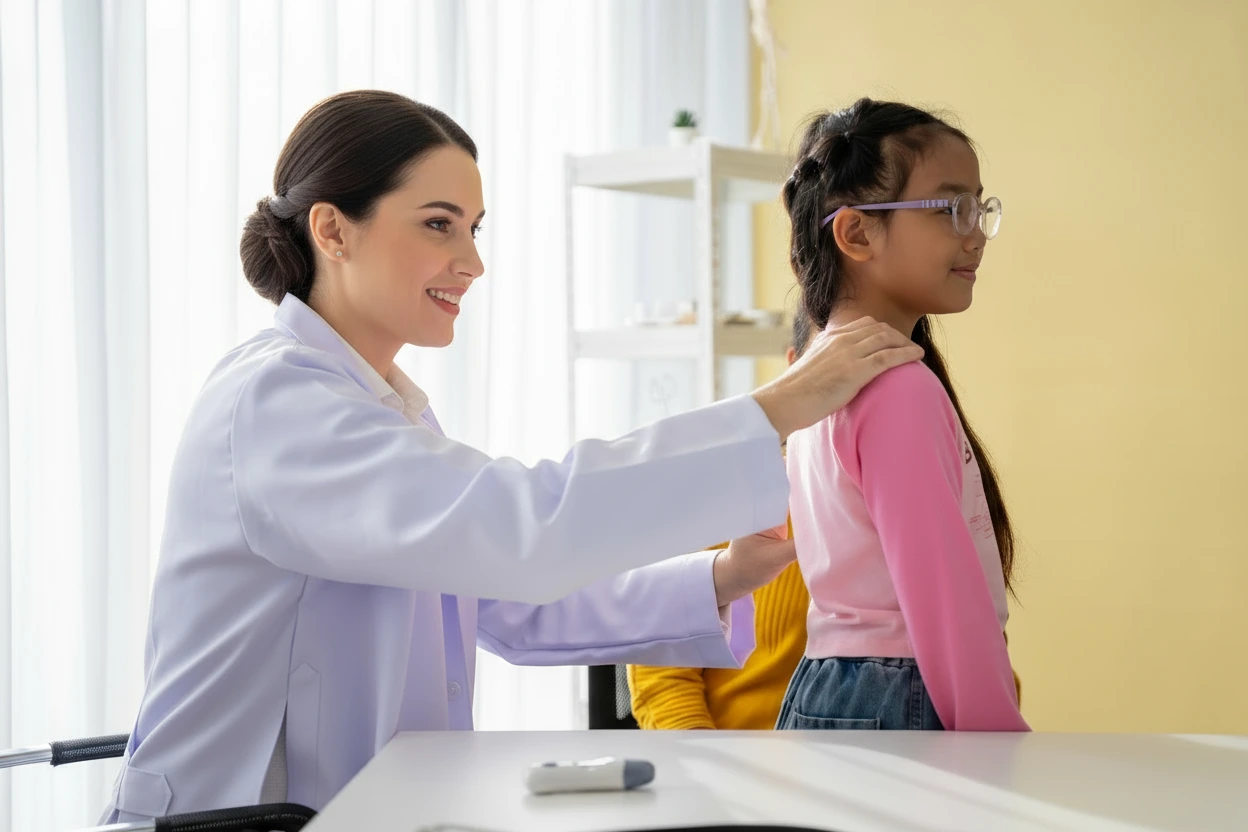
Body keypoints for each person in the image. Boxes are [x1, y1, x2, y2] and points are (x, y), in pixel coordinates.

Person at [102, 91, 924, 821]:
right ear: (332, 229)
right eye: (437, 224)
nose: (472, 262)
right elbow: (526, 528)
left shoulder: (383, 410)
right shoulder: (279, 404)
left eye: (473, 229)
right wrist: (773, 409)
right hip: (237, 815)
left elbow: (504, 602)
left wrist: (721, 578)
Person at [775, 98, 1028, 732]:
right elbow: (945, 605)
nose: (974, 233)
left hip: (835, 683)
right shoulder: (895, 388)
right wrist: (1003, 745)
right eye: (950, 208)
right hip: (899, 690)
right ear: (856, 232)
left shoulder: (819, 370)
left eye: (979, 207)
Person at [628, 311, 813, 730]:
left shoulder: (918, 505)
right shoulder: (721, 497)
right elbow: (662, 676)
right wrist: (712, 778)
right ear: (796, 371)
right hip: (733, 772)